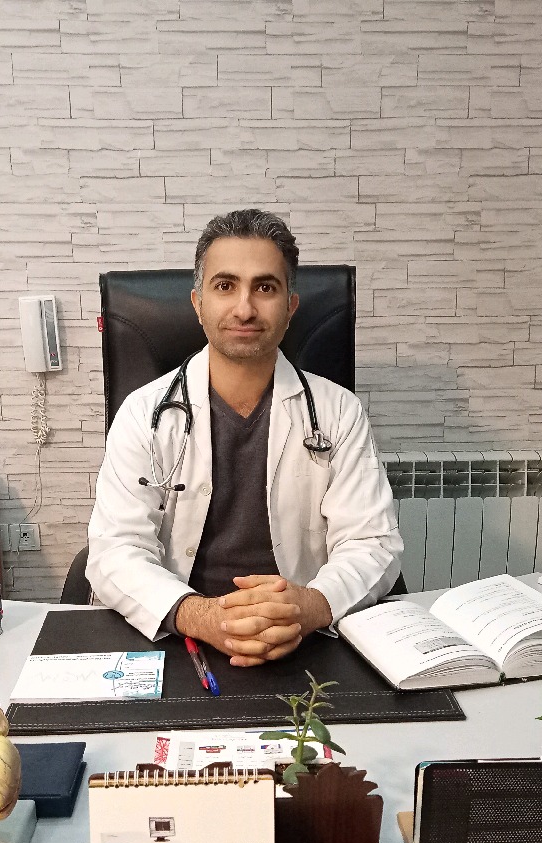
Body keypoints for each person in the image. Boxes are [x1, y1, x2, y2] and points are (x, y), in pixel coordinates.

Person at [87, 209, 402, 667]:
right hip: (181, 638)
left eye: (265, 288)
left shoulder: (338, 413)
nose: (245, 308)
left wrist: (310, 607)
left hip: (304, 640)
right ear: (198, 303)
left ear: (291, 306)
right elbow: (116, 550)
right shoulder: (144, 415)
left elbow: (372, 542)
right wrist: (201, 616)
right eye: (225, 285)